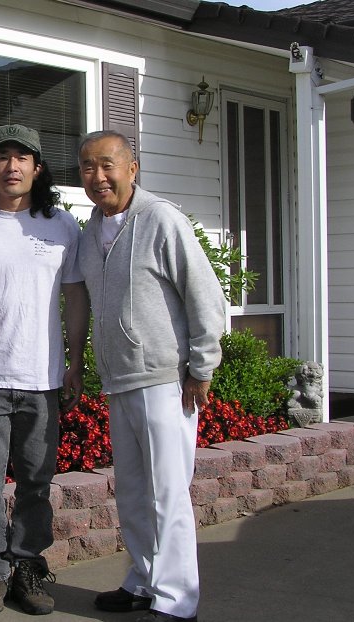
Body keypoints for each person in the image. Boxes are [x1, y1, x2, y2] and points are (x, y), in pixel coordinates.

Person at [76, 130, 226, 622]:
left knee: (168, 493)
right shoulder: (90, 230)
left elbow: (206, 296)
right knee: (136, 491)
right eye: (87, 167)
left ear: (132, 168)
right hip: (120, 380)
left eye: (107, 165)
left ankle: (178, 601)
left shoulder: (161, 219)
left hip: (165, 379)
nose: (97, 177)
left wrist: (201, 367)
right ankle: (143, 580)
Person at [0, 124, 89, 616]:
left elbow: (75, 296)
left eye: (22, 157)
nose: (12, 166)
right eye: (1, 157)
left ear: (37, 167)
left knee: (36, 481)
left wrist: (75, 363)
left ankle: (28, 564)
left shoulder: (62, 226)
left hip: (43, 379)